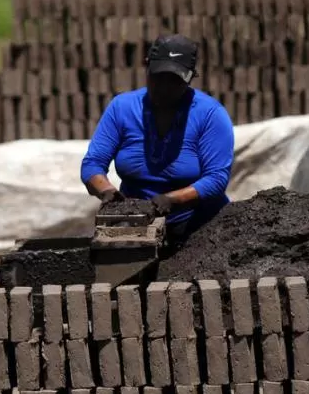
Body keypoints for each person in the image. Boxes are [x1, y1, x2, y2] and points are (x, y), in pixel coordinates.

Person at [80, 34, 235, 244]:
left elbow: (217, 178)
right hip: (136, 226)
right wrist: (106, 191)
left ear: (189, 79)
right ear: (147, 69)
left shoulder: (210, 114)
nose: (165, 87)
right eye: (159, 77)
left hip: (201, 229)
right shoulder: (122, 108)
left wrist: (172, 200)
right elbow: (93, 164)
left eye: (175, 81)